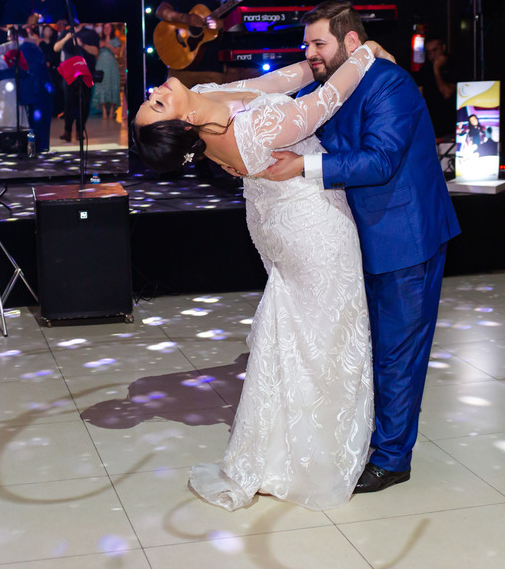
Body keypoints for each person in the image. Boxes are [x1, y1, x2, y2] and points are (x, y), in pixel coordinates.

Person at [132, 36, 388, 511]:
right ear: (183, 123)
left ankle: (275, 452)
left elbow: (273, 82)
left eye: (150, 100)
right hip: (312, 228)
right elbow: (322, 104)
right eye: (157, 104)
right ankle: (316, 459)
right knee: (328, 338)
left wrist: (315, 61)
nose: (155, 92)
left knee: (293, 334)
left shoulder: (203, 100)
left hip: (276, 224)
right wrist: (364, 54)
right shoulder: (252, 129)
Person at [252, 1, 461, 495]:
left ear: (350, 42)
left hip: (405, 238)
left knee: (397, 353)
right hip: (359, 237)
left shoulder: (390, 83)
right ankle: (375, 438)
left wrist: (301, 167)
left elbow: (380, 161)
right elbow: (292, 115)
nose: (310, 53)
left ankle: (392, 458)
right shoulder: (330, 84)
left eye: (318, 43)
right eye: (306, 44)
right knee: (369, 349)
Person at [154, 0, 239, 88]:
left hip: (213, 69)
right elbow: (160, 11)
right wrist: (185, 18)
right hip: (180, 67)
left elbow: (241, 25)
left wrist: (222, 24)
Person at [55, 22, 99, 143]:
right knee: (68, 102)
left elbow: (96, 51)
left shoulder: (90, 33)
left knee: (84, 102)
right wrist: (66, 38)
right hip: (69, 72)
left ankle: (80, 130)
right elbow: (56, 48)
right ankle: (67, 131)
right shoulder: (66, 32)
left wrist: (82, 44)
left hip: (85, 71)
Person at [414, 36, 457, 141]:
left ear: (443, 47)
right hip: (431, 131)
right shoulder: (425, 70)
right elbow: (418, 99)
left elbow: (447, 93)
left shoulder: (454, 66)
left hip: (451, 130)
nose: (432, 55)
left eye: (434, 50)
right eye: (429, 52)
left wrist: (436, 69)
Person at [90, 23, 122, 121]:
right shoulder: (99, 39)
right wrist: (100, 46)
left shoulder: (115, 39)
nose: (107, 29)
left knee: (112, 85)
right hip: (101, 65)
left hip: (112, 66)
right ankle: (104, 110)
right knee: (101, 86)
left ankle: (112, 110)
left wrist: (109, 46)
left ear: (111, 29)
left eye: (108, 27)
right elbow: (95, 53)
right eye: (105, 27)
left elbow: (117, 52)